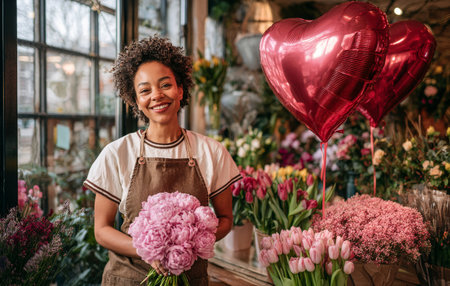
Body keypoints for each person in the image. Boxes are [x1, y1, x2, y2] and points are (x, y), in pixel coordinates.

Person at [83, 36, 241, 285]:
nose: (156, 95)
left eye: (165, 85)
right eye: (145, 90)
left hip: (190, 279)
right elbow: (101, 231)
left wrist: (190, 242)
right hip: (129, 278)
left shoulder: (212, 152)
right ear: (135, 101)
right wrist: (150, 250)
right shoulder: (117, 153)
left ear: (180, 89)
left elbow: (226, 220)